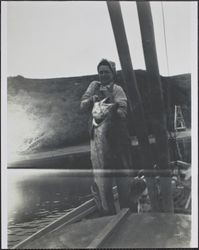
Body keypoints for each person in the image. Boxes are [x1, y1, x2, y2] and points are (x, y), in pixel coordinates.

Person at [80, 58, 132, 215]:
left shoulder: (118, 90)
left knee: (123, 178)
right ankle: (108, 213)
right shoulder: (93, 86)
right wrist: (91, 99)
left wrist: (112, 106)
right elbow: (82, 105)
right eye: (100, 72)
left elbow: (123, 112)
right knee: (103, 179)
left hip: (118, 141)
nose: (103, 75)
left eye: (106, 72)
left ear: (113, 73)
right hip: (98, 139)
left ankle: (128, 212)